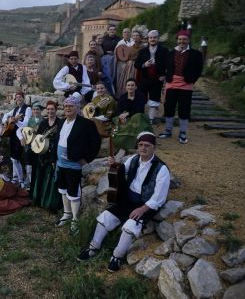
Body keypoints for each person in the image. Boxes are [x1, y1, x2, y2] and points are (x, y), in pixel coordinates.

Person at [77, 132, 170, 272]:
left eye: (147, 145)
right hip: (127, 200)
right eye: (140, 145)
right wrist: (114, 164)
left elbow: (159, 198)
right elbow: (121, 168)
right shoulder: (133, 159)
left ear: (154, 148)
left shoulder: (162, 169)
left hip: (146, 204)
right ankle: (93, 247)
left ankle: (117, 256)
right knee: (105, 218)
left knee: (130, 226)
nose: (143, 148)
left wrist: (142, 209)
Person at [55, 97, 101, 233]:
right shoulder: (62, 121)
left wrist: (86, 158)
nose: (68, 108)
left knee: (73, 192)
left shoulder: (86, 124)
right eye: (66, 106)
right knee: (63, 190)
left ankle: (75, 219)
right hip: (60, 163)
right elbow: (57, 139)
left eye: (71, 106)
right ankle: (67, 213)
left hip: (74, 165)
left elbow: (95, 142)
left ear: (77, 108)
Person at [159, 30, 204, 144]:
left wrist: (192, 80)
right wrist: (165, 76)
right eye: (179, 39)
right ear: (177, 40)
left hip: (186, 84)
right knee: (169, 107)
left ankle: (183, 132)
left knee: (184, 108)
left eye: (184, 39)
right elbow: (165, 66)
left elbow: (199, 69)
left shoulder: (196, 54)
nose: (182, 41)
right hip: (172, 83)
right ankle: (168, 130)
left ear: (188, 40)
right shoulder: (170, 53)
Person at [30, 100, 60, 212]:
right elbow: (37, 138)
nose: (50, 111)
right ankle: (38, 200)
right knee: (40, 175)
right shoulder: (43, 123)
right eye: (48, 109)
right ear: (46, 111)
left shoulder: (60, 123)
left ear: (56, 110)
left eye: (52, 109)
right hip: (42, 153)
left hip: (53, 153)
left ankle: (48, 203)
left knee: (50, 177)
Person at [135, 30, 168, 124]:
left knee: (154, 98)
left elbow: (169, 65)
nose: (152, 39)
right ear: (148, 39)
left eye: (154, 37)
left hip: (157, 78)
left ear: (158, 38)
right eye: (151, 38)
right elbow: (136, 65)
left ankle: (150, 119)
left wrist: (164, 75)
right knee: (141, 98)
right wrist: (144, 65)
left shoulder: (164, 50)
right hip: (144, 78)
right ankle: (140, 118)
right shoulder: (142, 51)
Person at [1, 92, 31, 187]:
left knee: (15, 159)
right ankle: (15, 178)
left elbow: (26, 123)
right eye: (17, 97)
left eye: (20, 97)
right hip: (13, 135)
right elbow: (5, 116)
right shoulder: (15, 109)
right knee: (13, 158)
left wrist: (15, 121)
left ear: (23, 98)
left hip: (22, 136)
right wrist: (7, 121)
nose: (18, 99)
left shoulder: (28, 109)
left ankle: (21, 180)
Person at [113, 79, 151, 151]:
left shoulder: (140, 96)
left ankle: (135, 142)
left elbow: (139, 109)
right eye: (128, 85)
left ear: (136, 87)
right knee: (116, 121)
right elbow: (118, 110)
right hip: (124, 117)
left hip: (136, 117)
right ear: (126, 87)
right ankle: (119, 142)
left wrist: (127, 114)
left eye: (132, 85)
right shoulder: (122, 97)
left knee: (137, 117)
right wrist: (121, 116)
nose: (130, 87)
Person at [17, 102, 43, 188]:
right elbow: (21, 130)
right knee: (28, 165)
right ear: (32, 111)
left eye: (37, 109)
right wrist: (22, 137)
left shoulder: (44, 120)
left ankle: (36, 184)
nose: (35, 111)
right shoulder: (29, 120)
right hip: (29, 145)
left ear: (41, 110)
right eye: (34, 109)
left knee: (38, 165)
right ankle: (30, 182)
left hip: (39, 145)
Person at [114, 30, 143, 98]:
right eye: (134, 36)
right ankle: (125, 96)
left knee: (137, 82)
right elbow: (122, 55)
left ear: (140, 37)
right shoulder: (129, 47)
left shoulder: (143, 47)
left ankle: (136, 97)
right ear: (132, 37)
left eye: (137, 35)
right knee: (127, 81)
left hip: (139, 67)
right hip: (129, 67)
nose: (135, 37)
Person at [100, 25, 121, 90]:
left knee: (116, 75)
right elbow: (100, 48)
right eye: (111, 29)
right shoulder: (103, 39)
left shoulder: (119, 39)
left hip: (116, 59)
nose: (112, 31)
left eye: (114, 29)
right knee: (108, 75)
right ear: (108, 31)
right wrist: (106, 52)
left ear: (115, 31)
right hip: (105, 59)